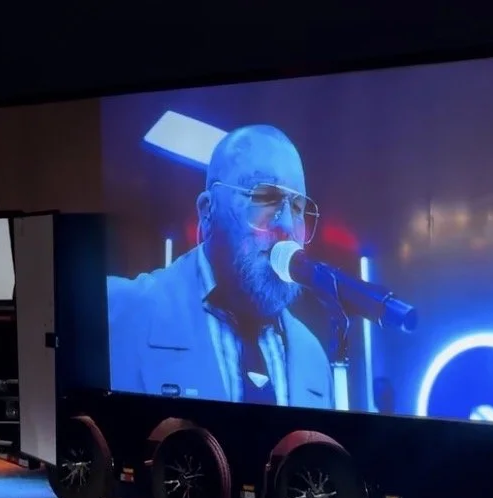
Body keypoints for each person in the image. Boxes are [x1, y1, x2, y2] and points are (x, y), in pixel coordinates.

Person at [107, 125, 332, 408]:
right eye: (263, 197)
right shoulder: (116, 312)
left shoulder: (313, 357)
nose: (287, 225)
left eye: (298, 207)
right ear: (207, 211)